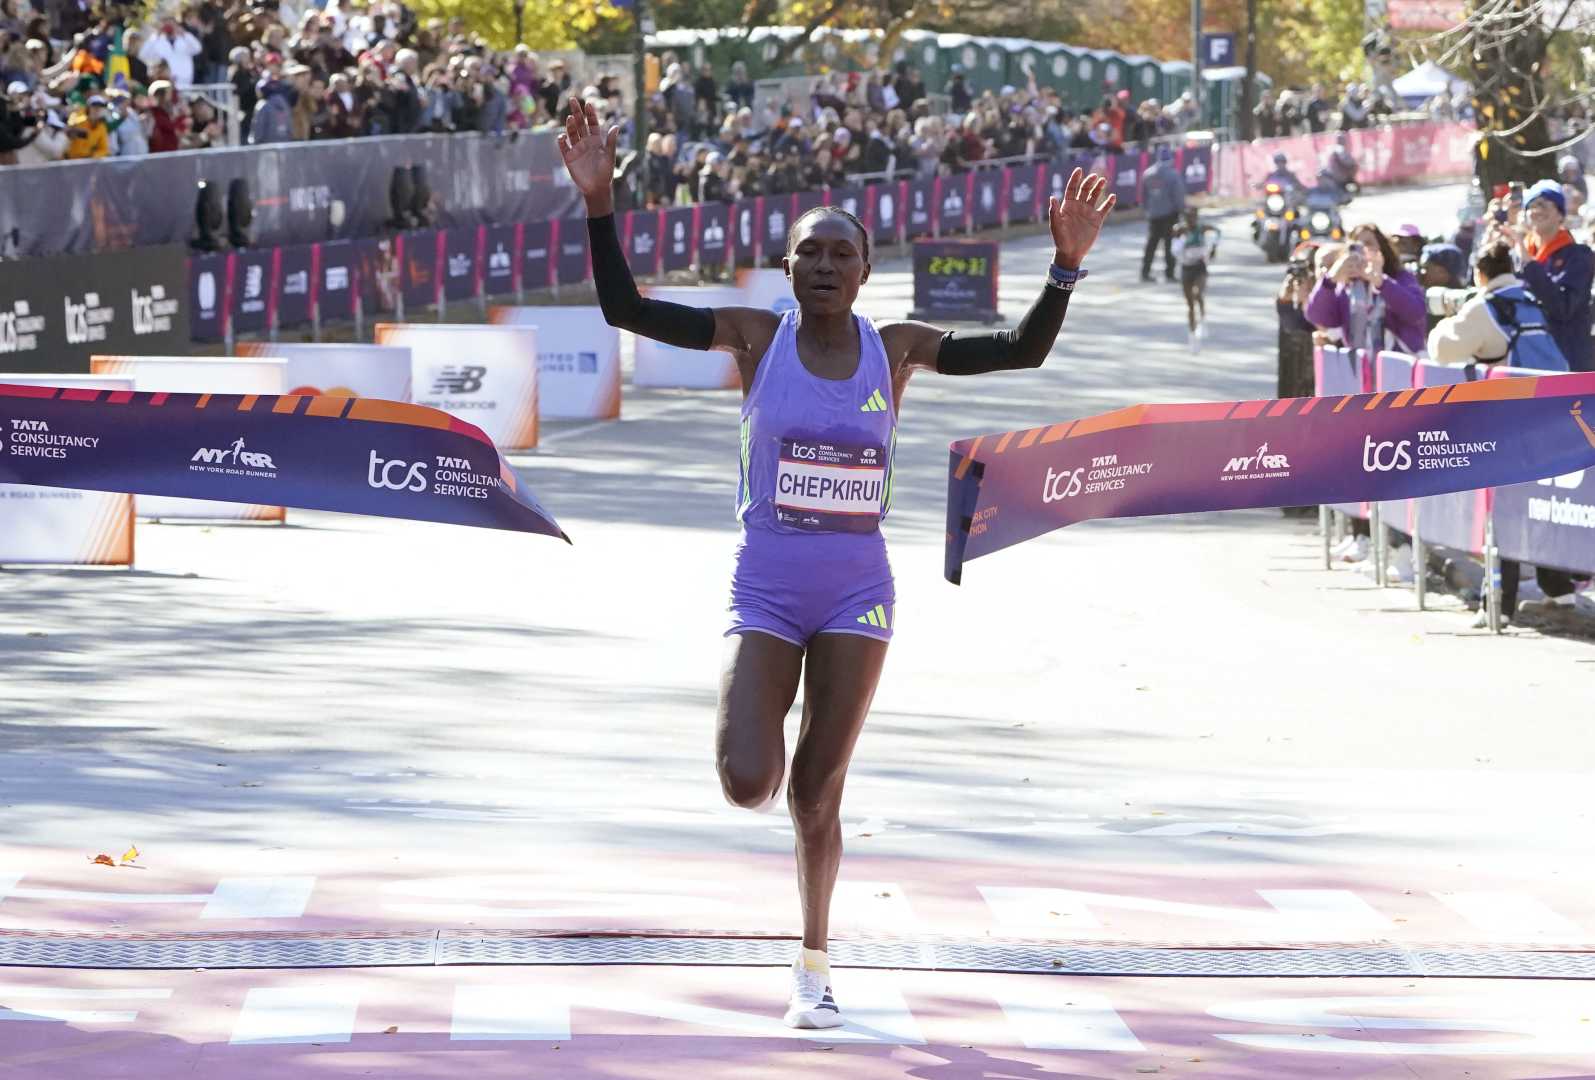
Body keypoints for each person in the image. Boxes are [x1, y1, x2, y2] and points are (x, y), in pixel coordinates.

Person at [557, 98, 1115, 1031]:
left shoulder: (894, 351)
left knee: (816, 793)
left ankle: (813, 965)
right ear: (787, 270)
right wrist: (600, 203)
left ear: (864, 273)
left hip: (857, 587)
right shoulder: (752, 337)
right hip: (768, 581)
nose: (822, 266)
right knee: (748, 780)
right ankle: (767, 739)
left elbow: (1019, 351)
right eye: (807, 253)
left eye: (839, 254)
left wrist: (1064, 265)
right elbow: (626, 308)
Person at [1426, 239, 1566, 370]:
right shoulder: (1530, 300)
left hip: (1512, 392)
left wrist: (1447, 320)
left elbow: (1442, 353)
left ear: (1479, 275)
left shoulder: (1482, 308)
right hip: (1547, 388)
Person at [1305, 222, 1426, 355]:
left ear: (1382, 249)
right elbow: (1318, 317)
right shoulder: (1346, 287)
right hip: (1361, 368)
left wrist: (1382, 282)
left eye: (1368, 243)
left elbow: (1416, 313)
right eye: (1355, 246)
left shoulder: (1401, 277)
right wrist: (1331, 279)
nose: (1362, 251)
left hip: (1399, 365)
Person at [1516, 179, 1594, 372]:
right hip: (1528, 360)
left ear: (1560, 214)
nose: (1535, 211)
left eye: (1543, 204)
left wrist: (1530, 264)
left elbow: (1563, 307)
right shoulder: (1518, 253)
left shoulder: (1578, 255)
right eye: (1530, 206)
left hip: (1569, 361)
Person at [1173, 206, 1218, 346]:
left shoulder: (1203, 228)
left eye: (1194, 217)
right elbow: (1174, 250)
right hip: (1186, 268)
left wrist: (1214, 248)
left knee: (1198, 294)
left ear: (1197, 217)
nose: (1191, 220)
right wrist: (1181, 242)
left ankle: (1203, 319)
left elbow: (1218, 232)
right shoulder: (1179, 230)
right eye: (1188, 217)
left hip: (1199, 267)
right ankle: (1192, 335)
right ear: (1185, 218)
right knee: (1190, 305)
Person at [1139, 143, 1184, 283]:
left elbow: (1144, 196)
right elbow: (1178, 196)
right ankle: (1169, 273)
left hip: (1154, 215)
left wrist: (1147, 210)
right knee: (1169, 245)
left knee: (1151, 244)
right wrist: (1181, 210)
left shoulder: (1148, 174)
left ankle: (1145, 272)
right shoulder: (1173, 175)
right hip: (1170, 215)